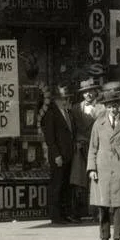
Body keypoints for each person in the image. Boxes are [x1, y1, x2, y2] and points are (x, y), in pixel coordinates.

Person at [86, 83, 120, 240]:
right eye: (110, 107)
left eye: (115, 106)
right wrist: (92, 168)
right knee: (103, 204)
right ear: (105, 107)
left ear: (119, 106)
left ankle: (117, 238)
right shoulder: (98, 124)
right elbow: (93, 147)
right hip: (103, 167)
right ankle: (104, 237)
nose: (113, 109)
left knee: (119, 205)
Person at [39, 85, 77, 224]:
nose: (65, 100)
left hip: (68, 154)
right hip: (59, 156)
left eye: (66, 98)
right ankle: (55, 215)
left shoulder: (67, 112)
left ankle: (64, 214)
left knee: (65, 185)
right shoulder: (51, 114)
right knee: (57, 185)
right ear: (56, 99)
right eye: (63, 98)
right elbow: (50, 137)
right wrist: (56, 155)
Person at [69, 78, 98, 222]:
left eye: (91, 91)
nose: (88, 94)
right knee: (78, 181)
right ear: (82, 94)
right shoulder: (75, 109)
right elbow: (71, 129)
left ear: (95, 92)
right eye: (85, 92)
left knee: (96, 180)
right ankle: (78, 213)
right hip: (80, 148)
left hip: (96, 148)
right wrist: (76, 142)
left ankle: (96, 213)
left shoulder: (102, 108)